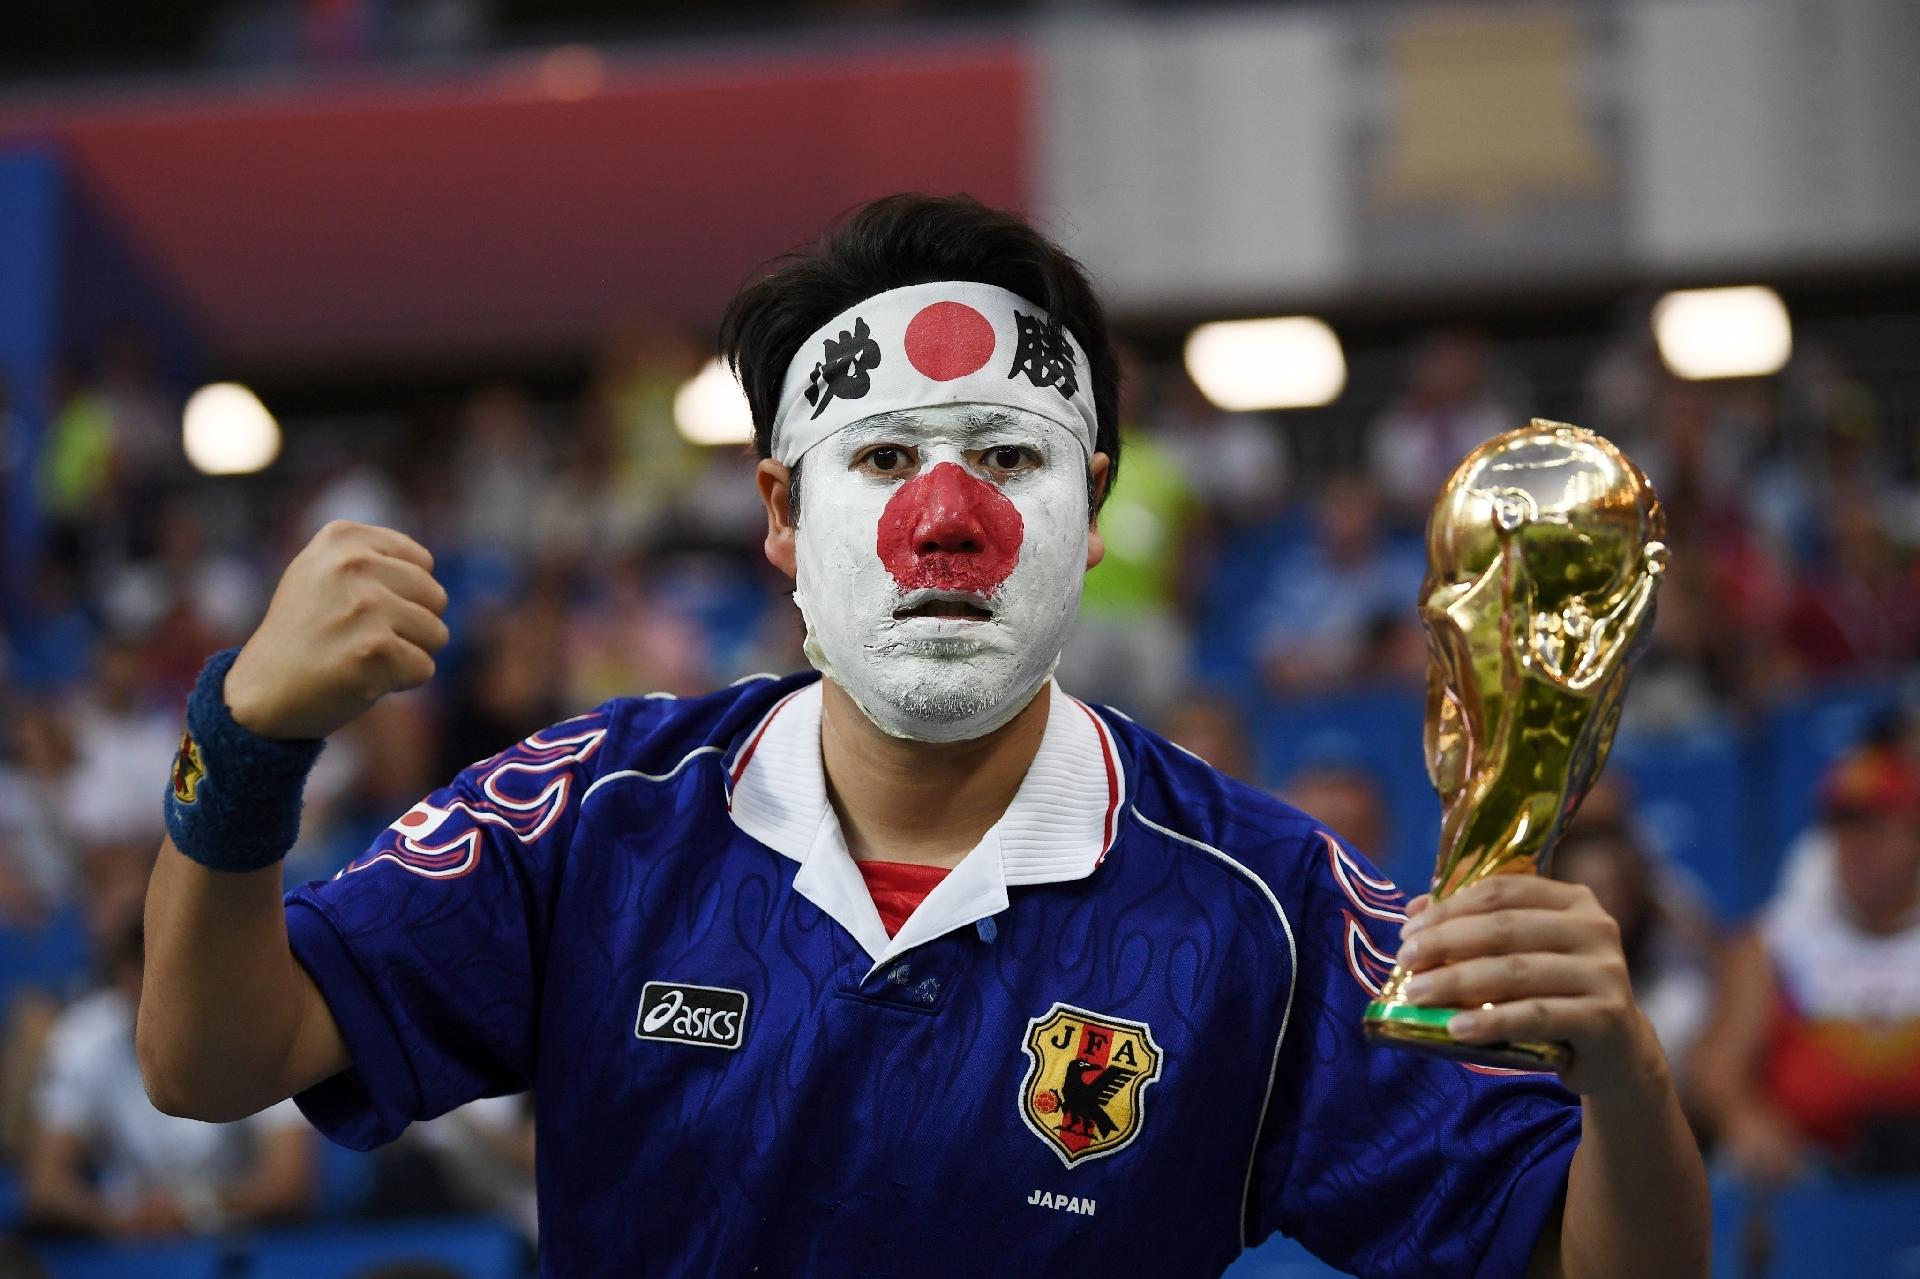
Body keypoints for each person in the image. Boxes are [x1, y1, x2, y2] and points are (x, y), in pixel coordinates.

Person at [136, 194, 1706, 1277]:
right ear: (779, 510)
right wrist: (243, 746)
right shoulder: (596, 818)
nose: (943, 524)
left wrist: (1625, 1073)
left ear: (1092, 514)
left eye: (1008, 459)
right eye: (879, 454)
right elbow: (208, 1059)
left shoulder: (1267, 908)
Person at [1692, 748, 1920, 1182]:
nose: (1856, 848)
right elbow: (1715, 1068)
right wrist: (1744, 1118)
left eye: (1876, 828)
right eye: (1843, 828)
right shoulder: (1776, 943)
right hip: (1812, 1171)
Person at [24, 919, 313, 1237]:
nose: (154, 989)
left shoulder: (255, 1028)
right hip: (124, 1241)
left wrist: (197, 1208)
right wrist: (116, 1219)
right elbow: (46, 1185)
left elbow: (290, 1179)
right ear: (121, 978)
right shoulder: (82, 1037)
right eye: (140, 972)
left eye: (172, 970)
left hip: (231, 1236)